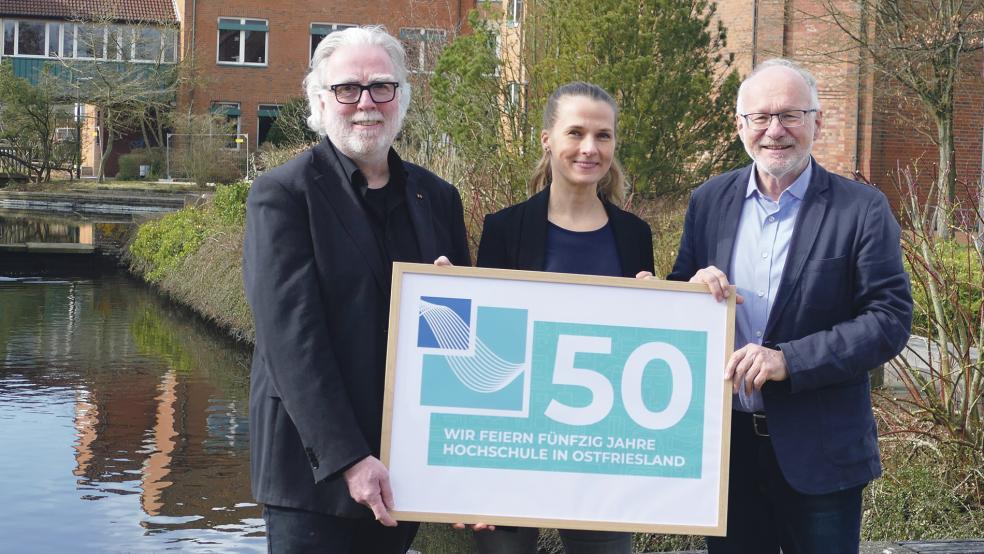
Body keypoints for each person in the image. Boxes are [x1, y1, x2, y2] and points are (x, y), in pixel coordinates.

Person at [666, 58, 912, 553]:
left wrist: (787, 360)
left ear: (817, 122)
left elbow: (889, 319)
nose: (775, 130)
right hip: (726, 454)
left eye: (791, 115)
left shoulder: (861, 209)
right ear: (740, 126)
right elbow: (682, 304)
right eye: (760, 117)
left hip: (821, 455)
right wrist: (689, 290)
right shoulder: (708, 201)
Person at [242, 25, 470, 553]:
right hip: (313, 477)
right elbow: (290, 341)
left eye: (381, 87)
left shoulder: (438, 199)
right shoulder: (282, 195)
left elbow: (455, 348)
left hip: (404, 470)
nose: (366, 103)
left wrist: (454, 305)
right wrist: (349, 459)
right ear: (320, 102)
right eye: (348, 89)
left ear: (401, 99)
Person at [472, 81, 654, 554]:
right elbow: (485, 350)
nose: (590, 148)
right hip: (513, 451)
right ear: (547, 139)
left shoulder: (634, 235)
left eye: (604, 136)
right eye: (576, 133)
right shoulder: (504, 229)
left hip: (604, 452)